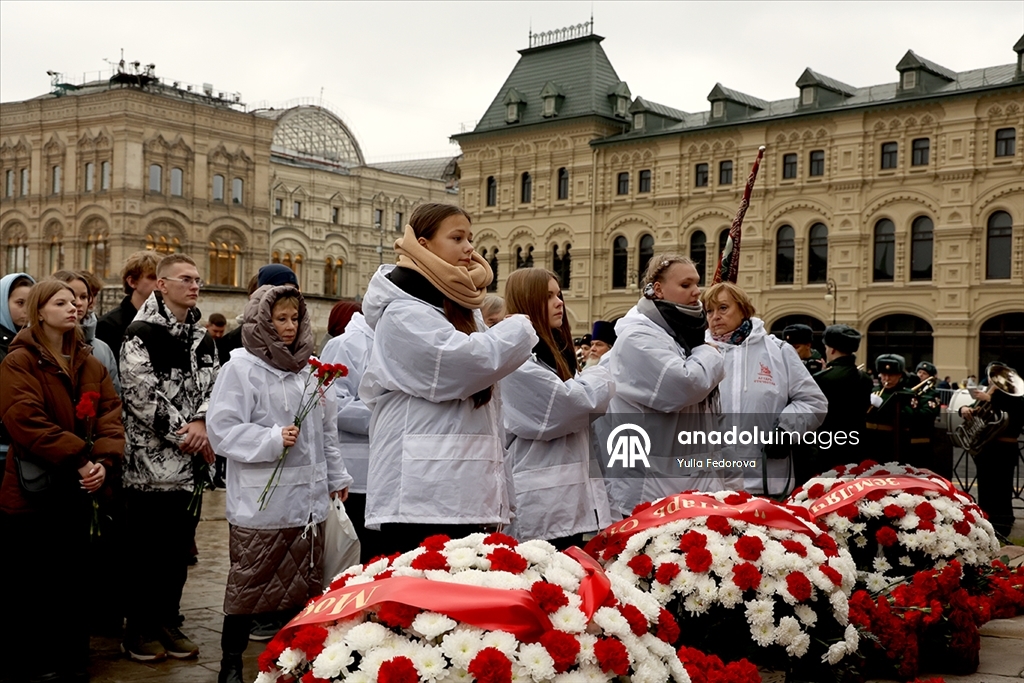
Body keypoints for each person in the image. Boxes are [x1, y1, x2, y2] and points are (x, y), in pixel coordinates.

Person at [359, 203, 537, 555]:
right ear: (423, 245)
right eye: (457, 238)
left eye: (470, 238)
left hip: (460, 489)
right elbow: (462, 363)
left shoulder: (456, 307)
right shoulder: (402, 313)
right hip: (422, 494)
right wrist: (521, 325)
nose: (470, 248)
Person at [207, 284, 351, 683]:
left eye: (295, 319)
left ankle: (292, 661)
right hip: (261, 503)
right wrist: (271, 439)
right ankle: (231, 662)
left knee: (302, 586)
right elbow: (223, 430)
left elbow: (327, 431)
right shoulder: (240, 367)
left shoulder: (311, 370)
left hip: (307, 501)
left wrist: (336, 476)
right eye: (280, 319)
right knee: (248, 584)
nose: (289, 328)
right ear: (261, 320)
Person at [0, 280, 124, 683]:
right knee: (36, 581)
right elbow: (25, 419)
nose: (73, 308)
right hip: (36, 491)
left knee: (75, 579)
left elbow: (110, 413)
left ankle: (73, 659)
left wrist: (104, 460)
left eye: (75, 302)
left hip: (81, 489)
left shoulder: (90, 362)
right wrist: (81, 457)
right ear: (39, 311)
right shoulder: (18, 362)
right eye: (61, 302)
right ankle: (35, 662)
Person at [119, 254, 219, 663]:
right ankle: (138, 629)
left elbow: (216, 384)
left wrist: (204, 419)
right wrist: (189, 433)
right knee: (146, 552)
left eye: (197, 279)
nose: (194, 285)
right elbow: (141, 396)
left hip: (189, 470)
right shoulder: (139, 333)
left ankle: (166, 621)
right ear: (161, 284)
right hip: (148, 467)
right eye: (185, 279)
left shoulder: (201, 337)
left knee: (177, 552)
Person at [603, 254, 725, 517]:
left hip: (688, 477)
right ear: (658, 289)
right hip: (652, 484)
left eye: (696, 283)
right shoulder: (638, 336)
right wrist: (710, 352)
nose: (696, 292)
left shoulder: (682, 333)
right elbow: (684, 385)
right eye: (685, 285)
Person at [500, 268, 614, 547]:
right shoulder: (518, 359)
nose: (559, 302)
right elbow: (569, 407)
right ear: (527, 301)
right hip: (542, 501)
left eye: (559, 294)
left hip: (567, 498)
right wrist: (601, 372)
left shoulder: (554, 352)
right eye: (548, 296)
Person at [702, 282, 827, 497]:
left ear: (743, 309)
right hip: (710, 485)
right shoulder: (698, 353)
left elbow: (813, 401)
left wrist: (787, 430)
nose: (715, 316)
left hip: (767, 482)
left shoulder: (778, 350)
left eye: (723, 308)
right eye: (709, 311)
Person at [321, 302, 383, 563]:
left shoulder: (394, 342)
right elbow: (331, 404)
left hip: (389, 474)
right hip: (355, 473)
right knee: (355, 558)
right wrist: (387, 417)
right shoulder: (345, 344)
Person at [959, 361, 1024, 538]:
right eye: (992, 380)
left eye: (996, 381)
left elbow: (1018, 412)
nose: (992, 384)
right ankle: (985, 521)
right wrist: (964, 409)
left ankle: (1002, 525)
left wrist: (991, 399)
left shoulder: (1015, 398)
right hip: (986, 448)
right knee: (986, 488)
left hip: (1004, 448)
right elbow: (974, 410)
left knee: (1002, 487)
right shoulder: (989, 394)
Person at [812, 324, 872, 473]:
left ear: (831, 349)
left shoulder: (822, 378)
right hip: (857, 443)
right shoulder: (864, 378)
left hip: (828, 445)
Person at [52, 270, 122, 394]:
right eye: (72, 296)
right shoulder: (34, 346)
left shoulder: (102, 349)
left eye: (84, 297)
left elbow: (113, 398)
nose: (78, 303)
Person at [864, 354, 939, 469]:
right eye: (884, 375)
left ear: (900, 375)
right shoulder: (873, 391)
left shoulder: (907, 394)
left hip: (893, 443)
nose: (887, 379)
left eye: (891, 375)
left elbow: (912, 417)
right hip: (870, 441)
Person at [96, 250, 161, 365]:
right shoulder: (108, 325)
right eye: (152, 277)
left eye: (162, 278)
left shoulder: (166, 321)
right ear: (132, 282)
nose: (159, 283)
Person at [0, 272, 34, 485]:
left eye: (30, 303)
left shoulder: (37, 343)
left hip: (29, 450)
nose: (26, 310)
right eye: (19, 303)